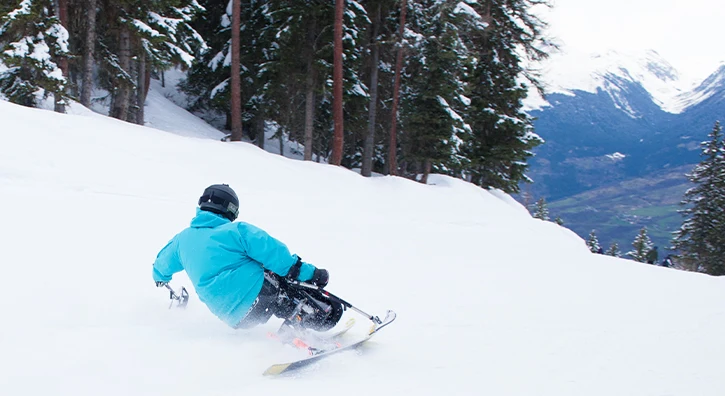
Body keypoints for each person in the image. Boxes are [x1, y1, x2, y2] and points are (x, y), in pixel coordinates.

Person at [152, 184, 342, 331]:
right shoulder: (237, 230)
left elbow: (160, 266)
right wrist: (312, 273)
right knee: (280, 279)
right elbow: (278, 257)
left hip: (231, 317)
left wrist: (161, 278)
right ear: (230, 208)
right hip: (257, 296)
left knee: (263, 276)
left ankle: (296, 322)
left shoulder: (181, 240)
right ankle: (314, 317)